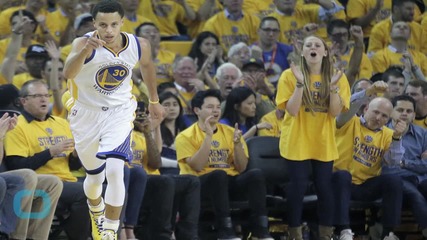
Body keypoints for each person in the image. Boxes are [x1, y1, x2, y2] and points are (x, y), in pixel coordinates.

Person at [63, 0, 164, 239]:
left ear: (122, 23)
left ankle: (109, 230)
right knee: (95, 177)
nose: (108, 31)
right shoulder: (82, 43)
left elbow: (148, 67)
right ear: (94, 24)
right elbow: (67, 73)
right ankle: (95, 208)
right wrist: (86, 50)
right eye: (102, 25)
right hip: (86, 113)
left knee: (116, 170)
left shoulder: (139, 45)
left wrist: (153, 100)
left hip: (119, 112)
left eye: (113, 25)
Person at [275, 35, 351, 240]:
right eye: (308, 45)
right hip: (296, 139)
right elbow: (290, 111)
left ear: (325, 52)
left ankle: (326, 233)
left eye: (317, 45)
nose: (313, 48)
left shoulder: (337, 76)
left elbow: (335, 112)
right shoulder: (289, 75)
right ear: (302, 52)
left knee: (324, 187)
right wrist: (301, 84)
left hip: (323, 140)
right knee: (298, 186)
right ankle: (295, 233)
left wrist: (333, 87)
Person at [176, 89, 273, 240]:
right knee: (218, 175)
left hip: (228, 182)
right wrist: (208, 136)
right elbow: (197, 166)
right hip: (199, 185)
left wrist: (237, 145)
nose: (215, 110)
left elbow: (241, 168)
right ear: (197, 110)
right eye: (209, 107)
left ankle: (261, 228)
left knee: (256, 174)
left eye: (217, 106)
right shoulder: (185, 136)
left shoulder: (231, 132)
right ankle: (225, 229)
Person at [4, 80, 87, 240]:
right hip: (40, 181)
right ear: (23, 101)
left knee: (103, 189)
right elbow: (17, 166)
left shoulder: (62, 123)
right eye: (37, 96)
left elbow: (72, 165)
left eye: (46, 95)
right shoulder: (17, 126)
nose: (43, 99)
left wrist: (76, 155)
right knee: (84, 193)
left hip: (67, 179)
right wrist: (50, 152)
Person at [332, 81, 406, 240]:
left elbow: (392, 162)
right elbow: (346, 108)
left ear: (388, 120)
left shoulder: (388, 134)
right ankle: (344, 231)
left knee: (394, 180)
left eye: (384, 116)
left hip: (365, 186)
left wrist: (397, 138)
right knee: (342, 175)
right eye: (376, 112)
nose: (379, 118)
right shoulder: (349, 121)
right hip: (339, 182)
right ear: (366, 109)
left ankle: (388, 233)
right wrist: (367, 92)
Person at [382, 95, 427, 239]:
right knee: (415, 196)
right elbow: (389, 167)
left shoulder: (423, 134)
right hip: (396, 180)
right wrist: (417, 164)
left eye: (409, 111)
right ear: (391, 112)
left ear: (414, 115)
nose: (404, 114)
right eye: (400, 109)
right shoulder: (382, 133)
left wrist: (404, 163)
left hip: (420, 178)